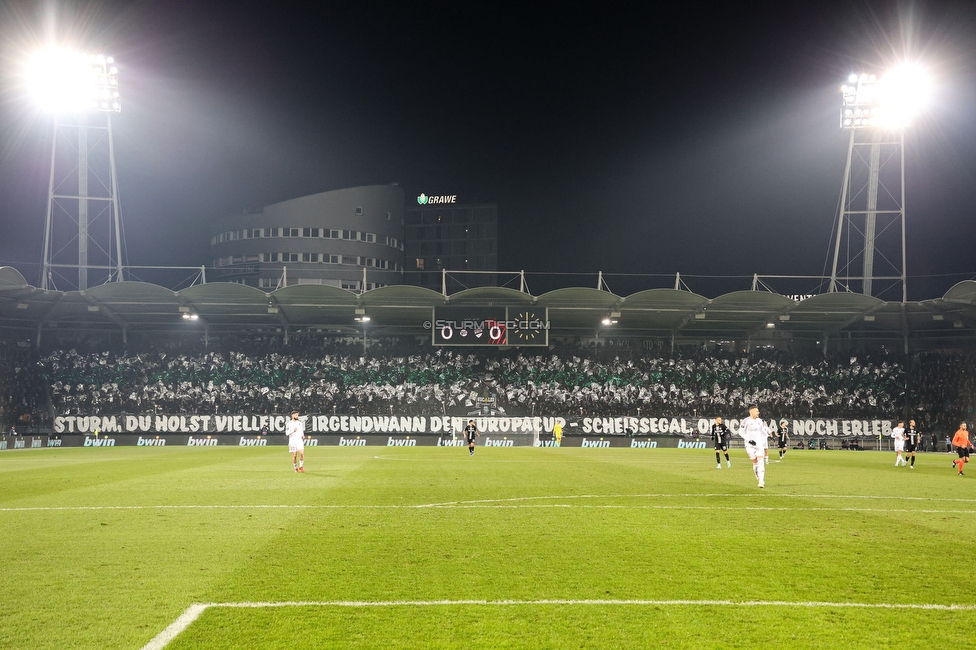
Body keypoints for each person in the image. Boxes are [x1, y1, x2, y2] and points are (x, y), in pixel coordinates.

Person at [738, 404, 769, 488]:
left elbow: (762, 431)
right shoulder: (746, 421)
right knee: (755, 463)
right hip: (749, 445)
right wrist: (748, 440)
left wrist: (768, 435)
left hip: (759, 444)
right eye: (756, 411)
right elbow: (740, 432)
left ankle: (761, 481)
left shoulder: (759, 421)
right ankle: (758, 477)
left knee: (761, 462)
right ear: (751, 412)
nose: (758, 412)